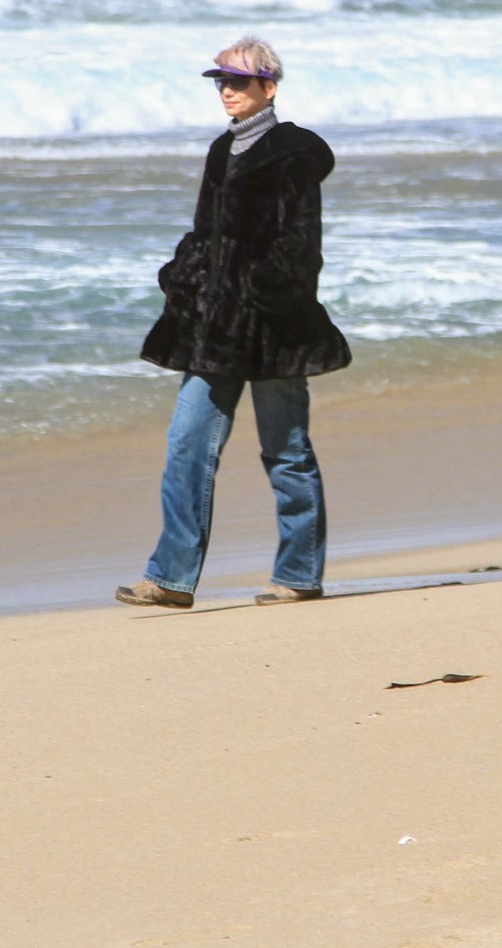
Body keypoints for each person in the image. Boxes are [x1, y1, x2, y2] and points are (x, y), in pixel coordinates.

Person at [116, 37, 351, 610]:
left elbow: (300, 247)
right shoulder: (222, 151)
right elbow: (207, 234)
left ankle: (298, 574)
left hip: (275, 330)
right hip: (217, 330)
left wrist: (263, 294)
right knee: (186, 447)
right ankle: (170, 577)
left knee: (286, 450)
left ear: (268, 87)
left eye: (238, 82)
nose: (226, 90)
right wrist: (182, 275)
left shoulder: (292, 153)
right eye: (220, 81)